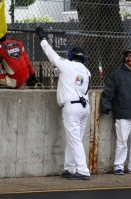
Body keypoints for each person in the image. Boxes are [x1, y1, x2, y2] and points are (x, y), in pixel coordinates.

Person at [35, 27, 91, 180]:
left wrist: (42, 38)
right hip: (85, 107)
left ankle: (83, 170)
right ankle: (70, 168)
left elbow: (51, 55)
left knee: (74, 139)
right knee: (75, 138)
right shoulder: (87, 71)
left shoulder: (67, 65)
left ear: (71, 56)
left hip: (72, 107)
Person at [100, 48, 131, 175]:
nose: (128, 58)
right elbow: (108, 91)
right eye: (126, 55)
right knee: (122, 142)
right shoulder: (117, 74)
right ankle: (118, 166)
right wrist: (105, 106)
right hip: (123, 114)